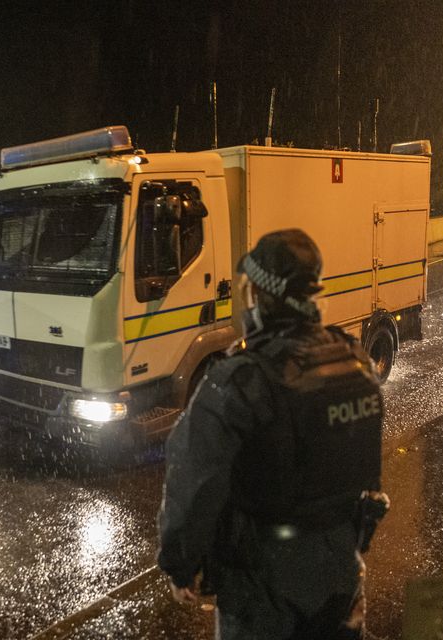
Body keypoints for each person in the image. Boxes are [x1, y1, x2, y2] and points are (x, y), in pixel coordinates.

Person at [157, 229, 389, 639]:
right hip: (340, 568)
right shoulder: (353, 358)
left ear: (258, 295)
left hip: (263, 581)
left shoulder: (240, 379)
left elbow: (194, 483)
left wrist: (180, 564)